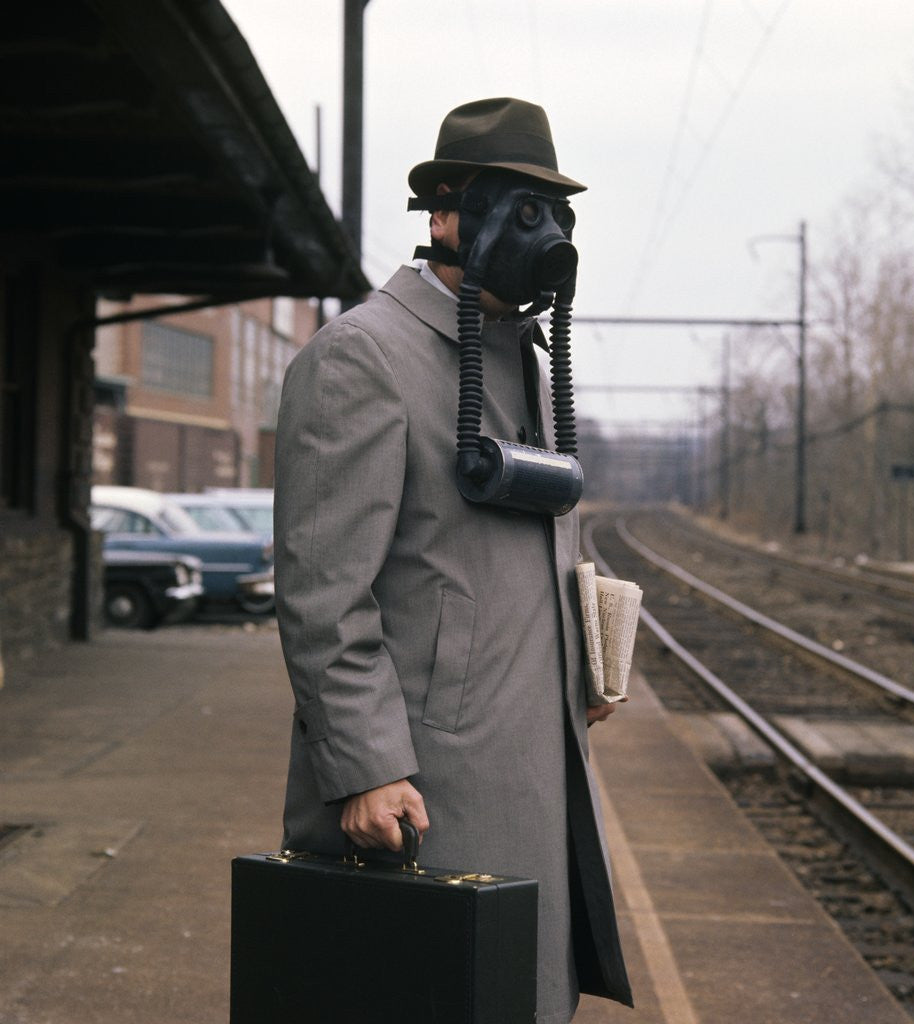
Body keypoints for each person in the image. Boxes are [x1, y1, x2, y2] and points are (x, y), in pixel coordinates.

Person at [273, 96, 633, 1023]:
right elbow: (322, 589)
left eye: (554, 211)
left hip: (536, 767)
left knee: (524, 994)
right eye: (519, 207)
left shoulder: (523, 362)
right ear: (443, 212)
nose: (544, 232)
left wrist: (588, 650)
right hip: (427, 787)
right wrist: (363, 765)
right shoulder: (362, 358)